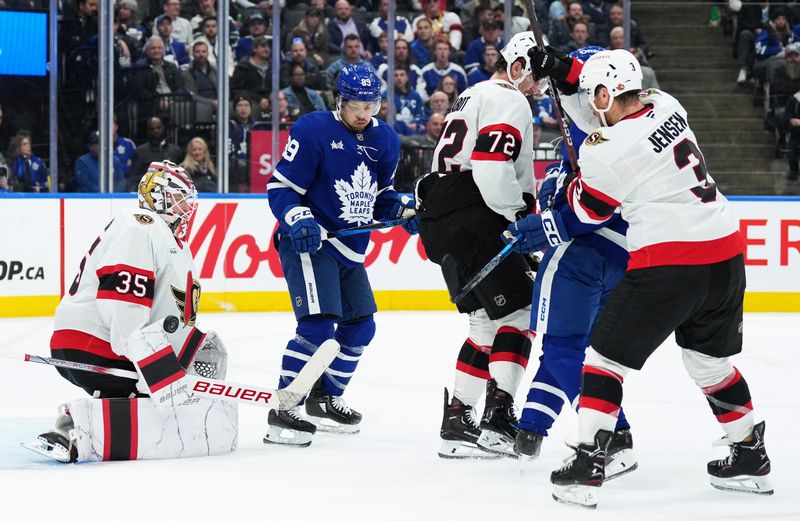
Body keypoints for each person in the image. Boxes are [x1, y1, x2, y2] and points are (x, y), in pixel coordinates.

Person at [518, 48, 773, 507]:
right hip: (726, 251)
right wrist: (561, 67)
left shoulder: (607, 151)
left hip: (672, 261)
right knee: (708, 363)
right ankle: (749, 454)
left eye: (594, 95)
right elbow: (601, 92)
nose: (591, 105)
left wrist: (543, 224)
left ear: (603, 93)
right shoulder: (667, 104)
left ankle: (588, 464)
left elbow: (585, 213)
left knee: (601, 361)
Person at [26, 160, 237, 463]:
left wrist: (188, 351)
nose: (186, 208)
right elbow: (123, 304)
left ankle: (79, 425)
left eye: (188, 200)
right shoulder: (141, 225)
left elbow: (166, 315)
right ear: (158, 196)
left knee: (162, 401)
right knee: (157, 406)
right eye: (179, 198)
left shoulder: (168, 240)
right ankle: (73, 427)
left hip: (111, 343)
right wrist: (149, 371)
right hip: (94, 340)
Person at [263, 64, 417, 447]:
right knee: (317, 328)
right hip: (310, 243)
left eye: (371, 105)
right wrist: (298, 217)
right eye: (356, 106)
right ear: (340, 102)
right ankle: (283, 410)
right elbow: (280, 188)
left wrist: (400, 210)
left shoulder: (386, 141)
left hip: (350, 245)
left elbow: (382, 198)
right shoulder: (313, 129)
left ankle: (324, 398)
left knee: (361, 326)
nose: (364, 114)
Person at [505, 46, 638, 481]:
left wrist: (548, 224)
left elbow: (580, 74)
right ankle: (532, 426)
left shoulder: (596, 135)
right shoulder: (635, 122)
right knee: (571, 345)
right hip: (622, 254)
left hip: (580, 251)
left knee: (562, 348)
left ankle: (612, 437)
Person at [415, 32, 539, 459]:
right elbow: (490, 164)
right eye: (535, 78)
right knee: (520, 314)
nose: (538, 89)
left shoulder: (469, 94)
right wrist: (519, 214)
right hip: (478, 214)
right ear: (518, 68)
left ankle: (458, 418)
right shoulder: (510, 98)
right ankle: (498, 419)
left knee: (486, 323)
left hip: (444, 215)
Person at [128, 116, 183, 189]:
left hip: (172, 193)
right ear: (148, 131)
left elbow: (181, 176)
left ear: (164, 128)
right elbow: (133, 178)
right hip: (148, 193)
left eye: (158, 127)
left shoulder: (175, 151)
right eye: (152, 129)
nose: (155, 131)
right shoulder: (140, 152)